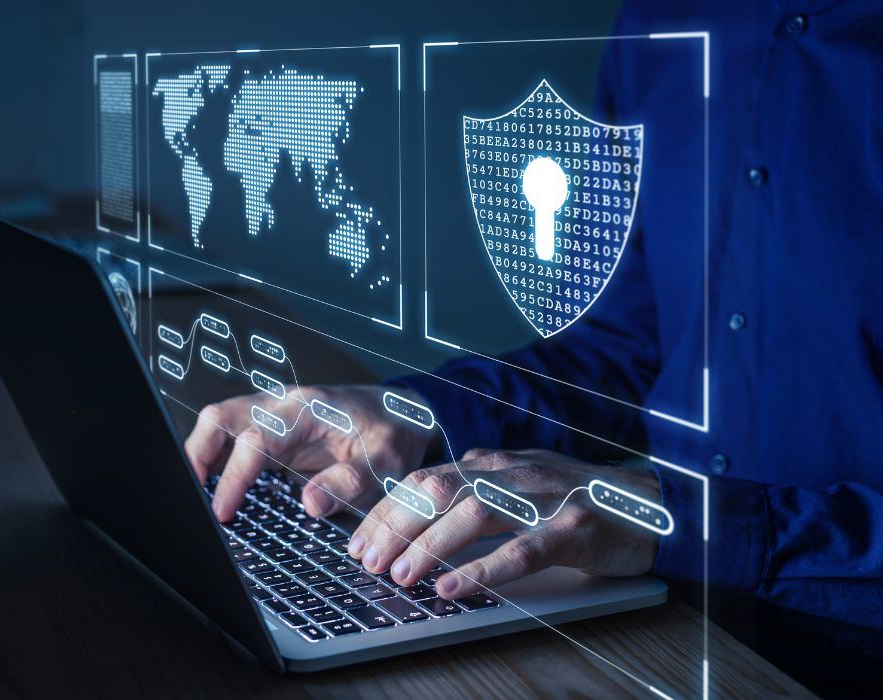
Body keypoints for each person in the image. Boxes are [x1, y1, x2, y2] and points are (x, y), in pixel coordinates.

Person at [184, 1, 882, 696]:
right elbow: (623, 343)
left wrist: (677, 521)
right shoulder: (659, 22)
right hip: (673, 622)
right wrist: (415, 410)